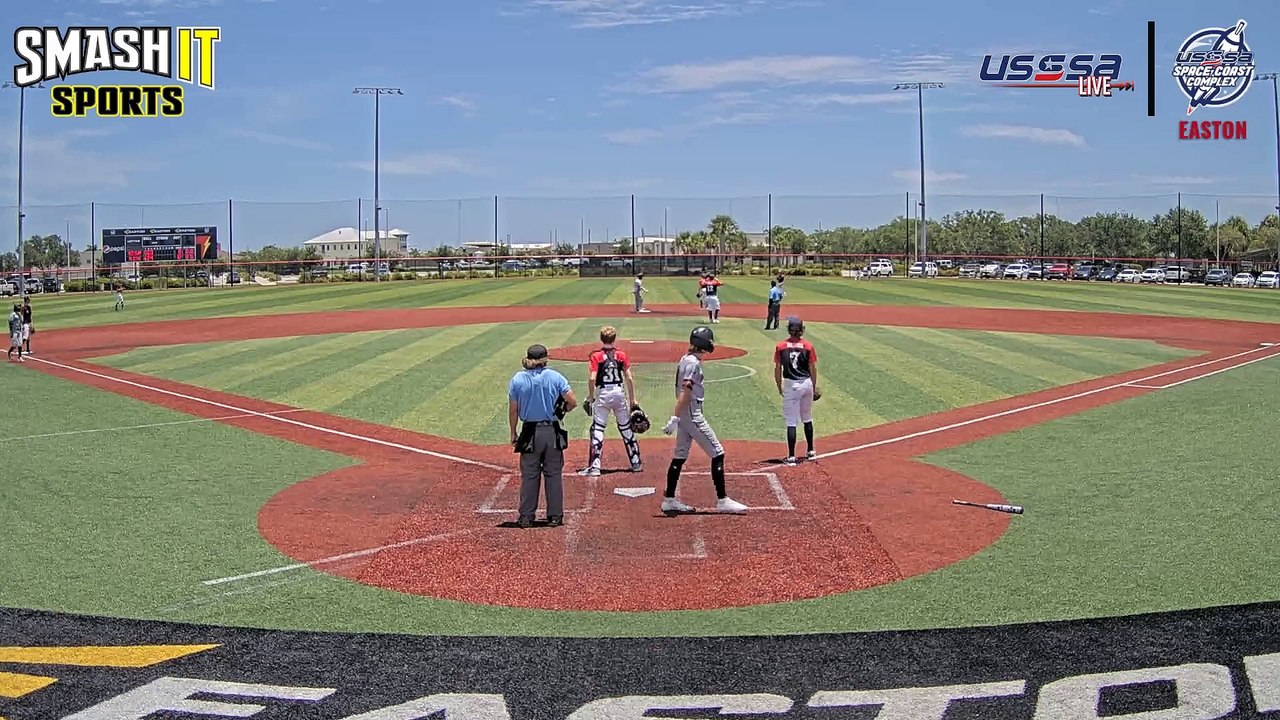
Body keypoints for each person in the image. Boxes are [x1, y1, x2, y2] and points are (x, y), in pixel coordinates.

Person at [659, 326, 748, 514]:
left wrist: (678, 416)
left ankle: (669, 500)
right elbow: (686, 391)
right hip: (691, 413)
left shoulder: (686, 359)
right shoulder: (693, 363)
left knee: (680, 455)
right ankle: (723, 500)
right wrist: (675, 416)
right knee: (718, 452)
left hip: (685, 414)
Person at [508, 344, 577, 529]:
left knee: (530, 475)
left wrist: (513, 432)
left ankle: (526, 517)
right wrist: (561, 411)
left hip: (529, 431)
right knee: (553, 475)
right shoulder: (555, 376)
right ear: (545, 359)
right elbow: (573, 402)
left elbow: (513, 410)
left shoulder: (517, 379)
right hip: (552, 431)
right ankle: (555, 516)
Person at [578, 326, 643, 476]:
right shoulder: (621, 355)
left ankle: (595, 466)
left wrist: (590, 396)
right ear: (614, 339)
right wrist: (632, 399)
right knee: (626, 428)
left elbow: (592, 378)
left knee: (598, 429)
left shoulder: (596, 356)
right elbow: (629, 378)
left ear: (601, 339)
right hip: (619, 393)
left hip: (604, 394)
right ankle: (636, 462)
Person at [774, 317, 820, 465]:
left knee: (791, 421)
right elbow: (812, 368)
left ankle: (792, 456)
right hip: (806, 383)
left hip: (791, 385)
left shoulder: (780, 347)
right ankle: (811, 451)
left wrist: (779, 385)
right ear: (802, 330)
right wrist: (813, 386)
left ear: (789, 330)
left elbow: (777, 369)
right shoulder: (808, 346)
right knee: (807, 417)